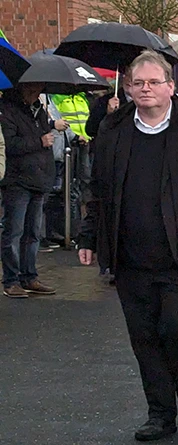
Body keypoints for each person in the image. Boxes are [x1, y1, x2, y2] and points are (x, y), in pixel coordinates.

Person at [78, 50, 178, 441]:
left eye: (154, 82)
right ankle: (160, 414)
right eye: (138, 83)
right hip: (129, 255)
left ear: (171, 87)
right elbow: (98, 188)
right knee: (144, 337)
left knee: (176, 326)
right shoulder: (114, 129)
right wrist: (88, 236)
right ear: (129, 87)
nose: (145, 89)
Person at [1, 81, 64, 298]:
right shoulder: (7, 110)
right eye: (32, 89)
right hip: (17, 180)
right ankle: (11, 280)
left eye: (38, 90)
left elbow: (46, 136)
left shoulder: (39, 110)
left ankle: (29, 276)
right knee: (14, 232)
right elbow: (9, 145)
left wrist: (49, 127)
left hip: (40, 178)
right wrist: (39, 141)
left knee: (32, 234)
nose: (35, 93)